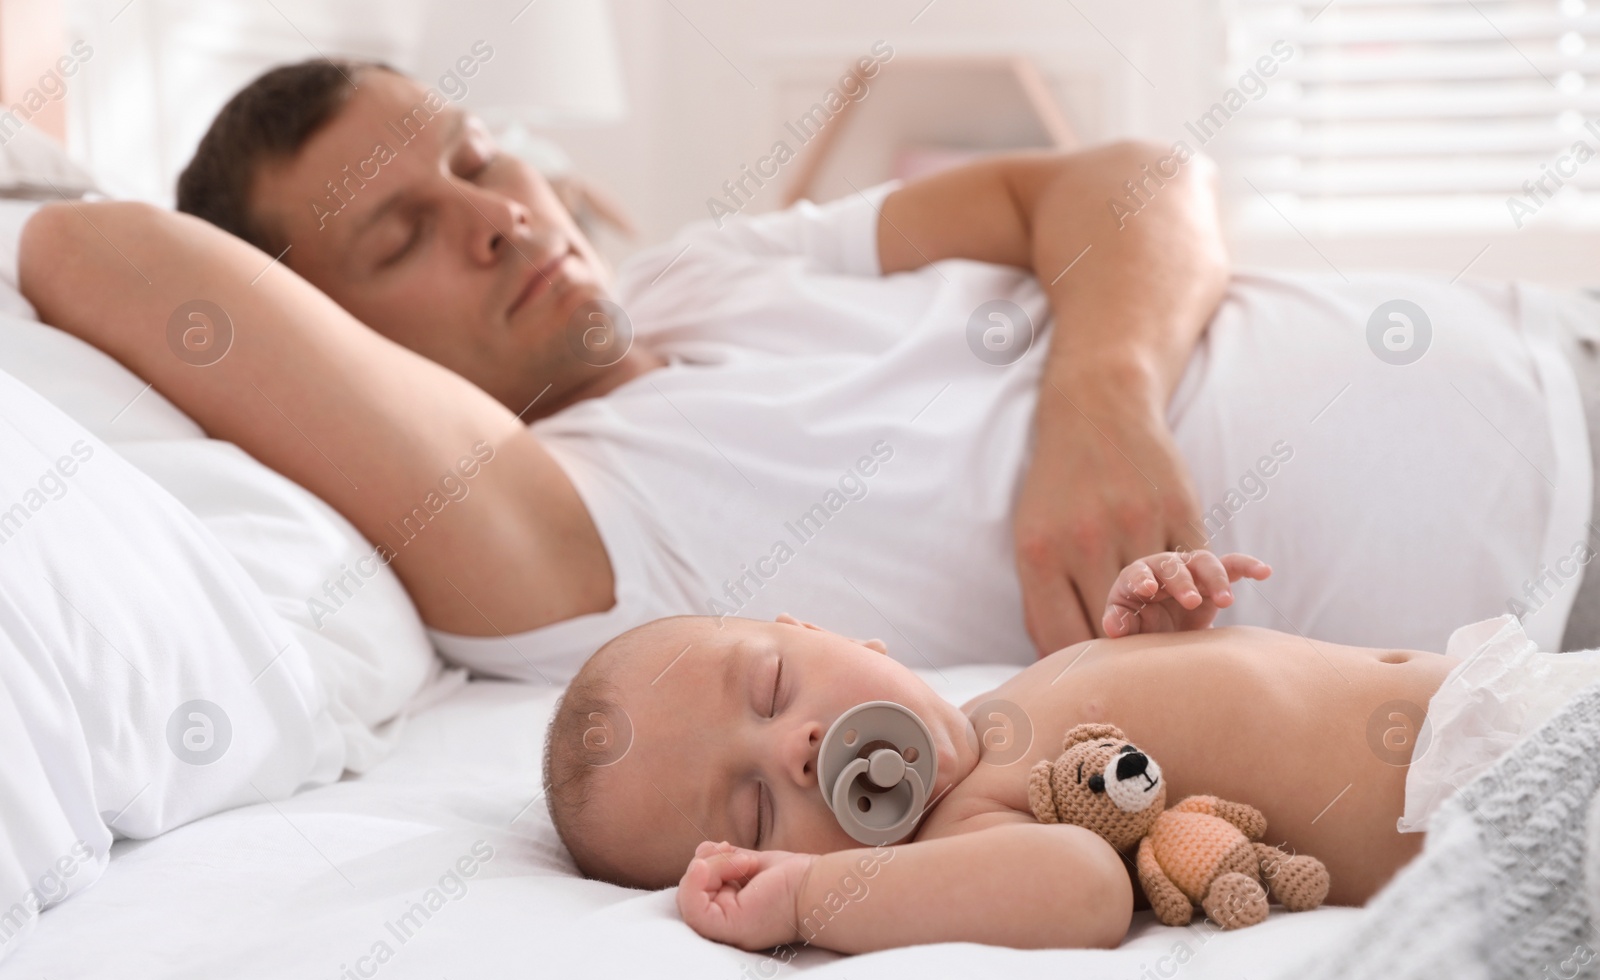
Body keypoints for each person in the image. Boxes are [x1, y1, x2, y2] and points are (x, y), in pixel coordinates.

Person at [17, 58, 1597, 691]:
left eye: (483, 156)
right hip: (1556, 588)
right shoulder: (558, 531)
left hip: (1557, 351)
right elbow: (90, 256)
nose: (503, 217)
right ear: (331, 331)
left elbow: (1130, 182)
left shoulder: (705, 271)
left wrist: (1097, 400)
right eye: (405, 234)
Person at [543, 549, 1599, 954]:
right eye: (758, 812)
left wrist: (1157, 629)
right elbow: (1083, 884)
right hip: (1505, 790)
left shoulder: (1015, 694)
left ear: (828, 633)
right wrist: (811, 895)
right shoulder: (964, 823)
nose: (798, 748)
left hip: (1527, 693)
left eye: (773, 687)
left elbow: (1174, 738)